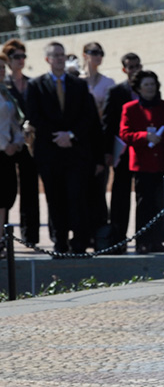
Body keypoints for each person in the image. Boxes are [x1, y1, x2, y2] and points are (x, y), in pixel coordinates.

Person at [25, 41, 103, 255]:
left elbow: (87, 116)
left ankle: (79, 244)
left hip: (75, 152)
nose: (59, 58)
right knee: (55, 199)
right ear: (47, 59)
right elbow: (34, 115)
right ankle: (60, 243)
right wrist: (57, 136)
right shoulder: (36, 85)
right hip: (49, 153)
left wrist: (70, 135)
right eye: (55, 55)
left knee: (77, 197)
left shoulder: (78, 84)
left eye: (62, 55)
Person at [120, 69, 164, 254]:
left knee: (161, 203)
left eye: (153, 84)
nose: (150, 88)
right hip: (142, 163)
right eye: (146, 85)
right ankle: (142, 241)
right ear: (139, 89)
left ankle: (158, 240)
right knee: (144, 204)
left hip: (162, 163)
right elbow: (124, 134)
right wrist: (145, 136)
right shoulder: (130, 108)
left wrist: (161, 137)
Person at [2, 38, 39, 247]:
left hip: (28, 143)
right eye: (16, 56)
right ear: (8, 60)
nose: (21, 60)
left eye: (23, 56)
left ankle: (30, 236)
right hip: (7, 145)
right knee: (6, 190)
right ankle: (4, 235)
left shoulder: (32, 83)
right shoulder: (3, 85)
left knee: (30, 189)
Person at [102, 52, 142, 252]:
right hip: (122, 153)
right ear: (124, 69)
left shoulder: (148, 88)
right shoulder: (116, 91)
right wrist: (108, 152)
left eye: (137, 66)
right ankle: (118, 239)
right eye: (130, 67)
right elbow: (108, 124)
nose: (135, 70)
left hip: (143, 152)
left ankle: (144, 239)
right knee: (120, 197)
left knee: (144, 196)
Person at [81, 41, 115, 246]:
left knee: (99, 188)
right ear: (84, 55)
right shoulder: (76, 81)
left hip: (100, 141)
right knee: (80, 189)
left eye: (100, 53)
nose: (98, 56)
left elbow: (109, 115)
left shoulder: (108, 82)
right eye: (94, 53)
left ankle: (100, 233)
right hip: (81, 142)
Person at [0, 53, 24, 245]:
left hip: (7, 153)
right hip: (1, 149)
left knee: (7, 196)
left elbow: (14, 122)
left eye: (2, 68)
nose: (1, 71)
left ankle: (2, 238)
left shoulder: (5, 92)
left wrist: (17, 141)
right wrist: (4, 145)